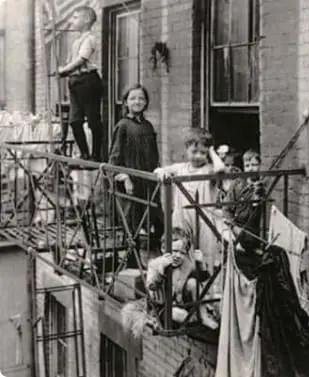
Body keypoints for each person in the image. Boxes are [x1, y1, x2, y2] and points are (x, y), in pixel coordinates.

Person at [154, 128, 225, 274]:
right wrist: (162, 172)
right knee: (180, 254)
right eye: (194, 151)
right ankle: (182, 290)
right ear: (187, 149)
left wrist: (212, 150)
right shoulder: (180, 168)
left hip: (203, 221)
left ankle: (205, 290)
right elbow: (158, 170)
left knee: (205, 256)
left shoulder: (209, 170)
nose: (198, 156)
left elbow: (221, 168)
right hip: (182, 219)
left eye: (203, 153)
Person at [109, 84, 162, 240]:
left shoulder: (148, 126)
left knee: (155, 218)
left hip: (148, 181)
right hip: (130, 183)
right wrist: (124, 177)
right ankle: (131, 260)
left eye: (141, 98)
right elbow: (114, 158)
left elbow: (154, 155)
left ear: (146, 103)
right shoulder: (122, 126)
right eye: (132, 98)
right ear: (126, 102)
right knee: (132, 225)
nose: (137, 102)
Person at [146, 227, 219, 329]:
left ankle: (203, 316)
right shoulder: (155, 264)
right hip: (163, 307)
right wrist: (161, 270)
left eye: (182, 252)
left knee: (193, 283)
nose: (178, 256)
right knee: (178, 315)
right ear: (163, 248)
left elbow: (202, 278)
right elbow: (151, 286)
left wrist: (201, 264)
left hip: (181, 302)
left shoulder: (186, 263)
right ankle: (193, 318)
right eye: (174, 251)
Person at [57, 6, 103, 161]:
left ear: (87, 20)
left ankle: (96, 154)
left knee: (93, 120)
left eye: (76, 17)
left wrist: (64, 70)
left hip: (87, 80)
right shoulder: (76, 41)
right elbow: (72, 61)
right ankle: (85, 153)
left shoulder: (89, 38)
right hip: (75, 81)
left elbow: (81, 60)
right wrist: (63, 68)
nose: (72, 21)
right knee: (75, 121)